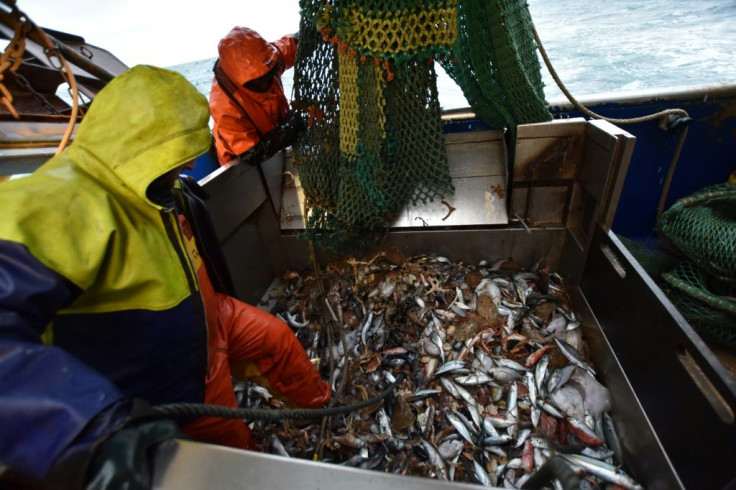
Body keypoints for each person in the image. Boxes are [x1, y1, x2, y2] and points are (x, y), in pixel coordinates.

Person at [0, 65, 330, 489]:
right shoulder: (62, 199)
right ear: (137, 145)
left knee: (279, 342)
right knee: (234, 454)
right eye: (177, 152)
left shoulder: (152, 185)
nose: (191, 162)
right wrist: (81, 438)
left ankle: (325, 415)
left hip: (213, 321)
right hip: (173, 382)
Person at [209, 26, 306, 166]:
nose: (267, 82)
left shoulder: (270, 58)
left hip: (274, 138)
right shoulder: (224, 106)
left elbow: (292, 44)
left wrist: (315, 30)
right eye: (259, 80)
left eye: (270, 73)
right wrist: (290, 128)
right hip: (238, 166)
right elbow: (251, 153)